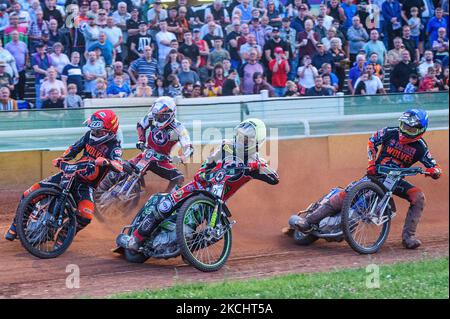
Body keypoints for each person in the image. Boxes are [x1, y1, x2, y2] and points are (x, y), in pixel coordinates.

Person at [116, 118, 279, 251]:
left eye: (245, 138)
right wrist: (204, 174)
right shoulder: (226, 146)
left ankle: (187, 248)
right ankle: (135, 239)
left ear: (255, 142)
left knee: (215, 231)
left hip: (216, 201)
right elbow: (206, 165)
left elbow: (274, 178)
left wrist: (255, 167)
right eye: (239, 135)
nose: (240, 139)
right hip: (197, 186)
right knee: (165, 205)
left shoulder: (257, 163)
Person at [290, 108, 442, 250]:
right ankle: (308, 222)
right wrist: (371, 163)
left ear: (420, 130)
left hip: (395, 181)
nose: (405, 131)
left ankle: (409, 237)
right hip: (375, 176)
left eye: (410, 129)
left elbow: (433, 165)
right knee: (345, 195)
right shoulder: (389, 132)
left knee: (418, 196)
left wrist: (434, 171)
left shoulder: (421, 147)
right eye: (403, 126)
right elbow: (372, 141)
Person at [5, 109, 124, 241]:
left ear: (110, 132)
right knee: (29, 193)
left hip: (86, 186)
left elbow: (119, 165)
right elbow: (74, 148)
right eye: (94, 129)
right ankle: (16, 225)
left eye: (99, 131)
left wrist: (107, 161)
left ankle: (63, 237)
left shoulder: (114, 147)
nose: (94, 133)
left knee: (86, 216)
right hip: (71, 173)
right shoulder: (88, 136)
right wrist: (62, 158)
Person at [124, 97, 193, 194]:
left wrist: (182, 157)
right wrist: (141, 140)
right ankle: (107, 187)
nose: (158, 118)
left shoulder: (179, 128)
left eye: (162, 116)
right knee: (125, 166)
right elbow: (140, 125)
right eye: (156, 115)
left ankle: (165, 201)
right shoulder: (151, 117)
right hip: (147, 154)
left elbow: (189, 147)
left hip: (161, 161)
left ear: (171, 114)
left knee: (179, 178)